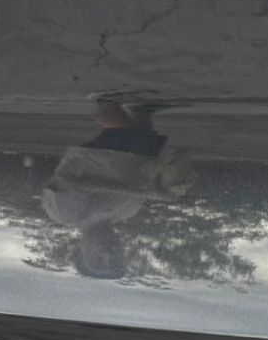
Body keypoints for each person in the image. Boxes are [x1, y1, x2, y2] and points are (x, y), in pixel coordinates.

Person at [41, 100, 196, 278]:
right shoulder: (126, 213)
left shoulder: (66, 215)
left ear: (79, 250)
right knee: (143, 125)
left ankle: (107, 102)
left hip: (102, 157)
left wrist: (143, 192)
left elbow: (68, 183)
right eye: (116, 258)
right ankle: (140, 109)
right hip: (138, 154)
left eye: (97, 259)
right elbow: (142, 181)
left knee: (118, 122)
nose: (108, 252)